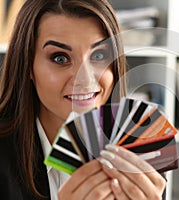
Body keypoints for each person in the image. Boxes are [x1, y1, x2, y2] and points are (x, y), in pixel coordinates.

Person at [0, 0, 166, 199]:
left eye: (99, 55)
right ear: (27, 65)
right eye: (60, 58)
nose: (85, 79)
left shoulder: (139, 143)